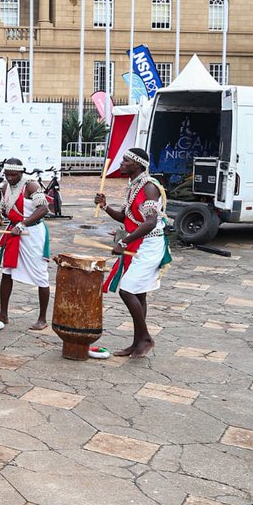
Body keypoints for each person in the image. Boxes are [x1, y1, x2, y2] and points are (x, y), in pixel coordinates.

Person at [94, 148, 170, 358]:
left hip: (149, 245)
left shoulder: (149, 188)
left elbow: (151, 222)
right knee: (138, 292)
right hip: (139, 242)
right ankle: (137, 343)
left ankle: (145, 338)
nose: (121, 163)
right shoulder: (134, 186)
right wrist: (105, 206)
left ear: (137, 165)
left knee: (126, 290)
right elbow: (127, 219)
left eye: (125, 161)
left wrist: (124, 242)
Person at [0, 158, 51, 330]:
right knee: (7, 271)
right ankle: (3, 314)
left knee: (40, 275)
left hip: (32, 234)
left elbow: (43, 209)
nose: (9, 178)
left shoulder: (31, 186)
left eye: (13, 175)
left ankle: (42, 318)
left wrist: (23, 224)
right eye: (7, 174)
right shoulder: (5, 187)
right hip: (14, 234)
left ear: (21, 173)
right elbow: (4, 212)